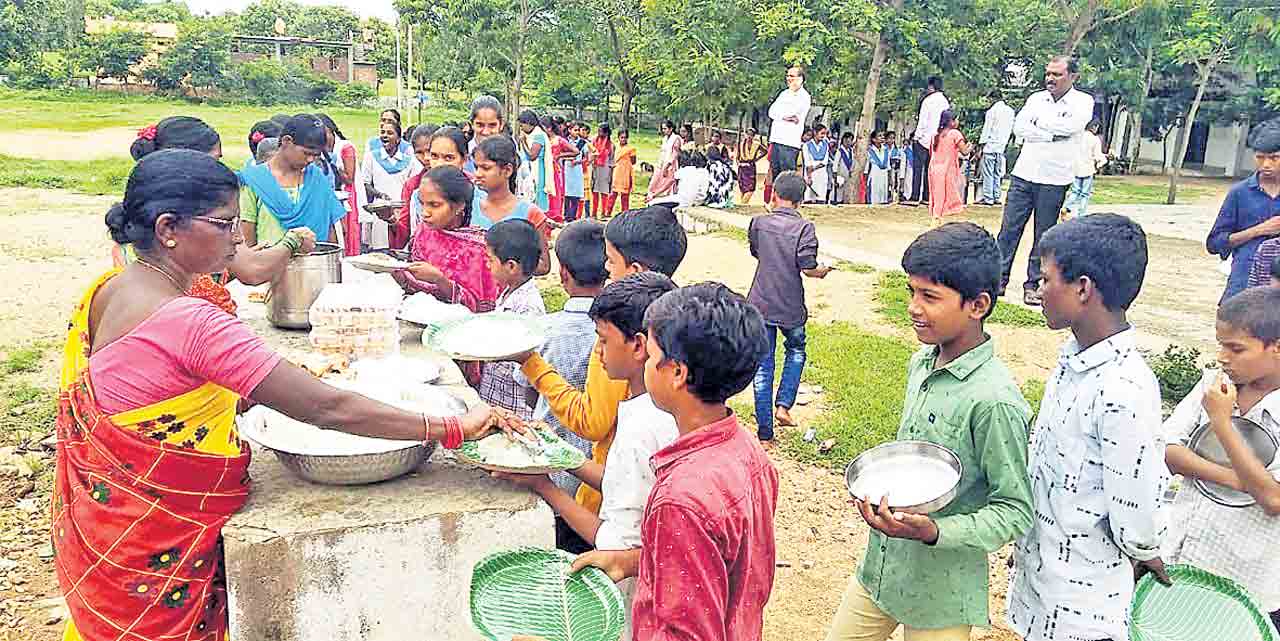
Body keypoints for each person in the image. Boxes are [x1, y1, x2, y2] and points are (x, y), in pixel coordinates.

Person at [57, 149, 520, 641]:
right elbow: (327, 407)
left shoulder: (107, 289)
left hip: (108, 528)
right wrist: (449, 427)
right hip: (157, 543)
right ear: (168, 228)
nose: (238, 238)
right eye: (224, 224)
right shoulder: (193, 323)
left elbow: (156, 389)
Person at [826, 222, 1033, 641]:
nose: (913, 307)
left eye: (930, 296)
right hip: (881, 570)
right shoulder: (921, 363)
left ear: (978, 305)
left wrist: (936, 531)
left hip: (941, 593)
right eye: (911, 292)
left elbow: (1015, 510)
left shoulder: (995, 401)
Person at [563, 282, 777, 641]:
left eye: (650, 355)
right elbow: (720, 560)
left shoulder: (680, 500)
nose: (645, 362)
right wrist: (631, 561)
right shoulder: (749, 452)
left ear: (677, 372)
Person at [1007, 214, 1171, 641]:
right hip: (1042, 582)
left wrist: (1145, 550)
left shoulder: (1124, 389)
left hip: (1085, 609)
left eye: (1046, 279)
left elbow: (1137, 509)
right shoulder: (1073, 360)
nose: (1038, 289)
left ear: (1082, 288)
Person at [499, 273, 680, 641]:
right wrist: (560, 455)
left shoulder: (642, 426)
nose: (597, 352)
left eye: (603, 340)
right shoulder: (658, 409)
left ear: (639, 346)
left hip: (632, 601)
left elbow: (614, 547)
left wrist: (544, 486)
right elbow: (625, 484)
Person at [511, 207, 688, 516]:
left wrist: (531, 363)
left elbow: (592, 421)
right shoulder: (680, 321)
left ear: (635, 270)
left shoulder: (623, 336)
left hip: (604, 502)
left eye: (611, 260)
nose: (605, 269)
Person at [1162, 286, 1280, 630]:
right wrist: (1240, 481)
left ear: (1276, 348)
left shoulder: (1218, 405)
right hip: (1184, 555)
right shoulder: (1215, 386)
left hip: (1245, 582)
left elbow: (1273, 499)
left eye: (1236, 348)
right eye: (1220, 344)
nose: (1223, 357)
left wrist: (1222, 423)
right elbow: (1168, 450)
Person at [118, 117, 314, 313]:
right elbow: (252, 270)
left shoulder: (128, 281)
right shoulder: (187, 307)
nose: (237, 237)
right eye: (215, 161)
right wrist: (292, 241)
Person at [507, 220, 609, 554]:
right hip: (601, 474)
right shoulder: (621, 333)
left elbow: (528, 390)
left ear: (563, 273)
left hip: (555, 462)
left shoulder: (542, 332)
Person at [994, 56, 1095, 306]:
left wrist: (1039, 123)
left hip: (1055, 177)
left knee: (1044, 235)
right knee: (1008, 230)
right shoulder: (1035, 99)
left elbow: (1071, 127)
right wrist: (1051, 134)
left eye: (1057, 74)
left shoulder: (1083, 102)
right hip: (1024, 173)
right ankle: (997, 280)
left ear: (1073, 77)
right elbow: (1020, 128)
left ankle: (1033, 284)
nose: (1050, 78)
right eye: (1048, 73)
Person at [748, 171, 831, 441]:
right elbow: (808, 267)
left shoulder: (758, 223)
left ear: (774, 194)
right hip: (791, 305)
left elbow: (757, 252)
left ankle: (765, 430)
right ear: (801, 200)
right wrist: (822, 271)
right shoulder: (805, 228)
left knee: (763, 365)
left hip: (760, 302)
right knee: (795, 350)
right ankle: (783, 406)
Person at [393, 165, 501, 313]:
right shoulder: (424, 231)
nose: (425, 213)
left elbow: (482, 308)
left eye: (434, 205)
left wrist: (440, 280)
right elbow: (416, 282)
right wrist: (399, 274)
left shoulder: (480, 249)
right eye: (422, 203)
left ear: (459, 206)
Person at [240, 114, 346, 248]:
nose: (311, 160)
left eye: (316, 155)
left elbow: (330, 229)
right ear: (286, 141)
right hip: (268, 260)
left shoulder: (316, 178)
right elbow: (247, 238)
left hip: (314, 259)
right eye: (306, 153)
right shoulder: (253, 180)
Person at [478, 219, 547, 418]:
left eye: (490, 260)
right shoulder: (508, 292)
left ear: (511, 266)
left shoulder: (529, 307)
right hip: (495, 391)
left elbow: (528, 357)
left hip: (514, 402)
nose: (487, 265)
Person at [1206, 117, 1280, 302]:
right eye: (1260, 157)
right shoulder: (1240, 193)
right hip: (1242, 286)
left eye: (1274, 158)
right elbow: (1214, 243)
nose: (1266, 164)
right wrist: (1258, 230)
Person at [356, 119, 415, 249]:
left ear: (398, 139)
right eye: (382, 132)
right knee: (380, 248)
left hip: (401, 210)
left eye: (390, 133)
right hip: (381, 210)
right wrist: (380, 194)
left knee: (399, 246)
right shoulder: (371, 157)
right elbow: (365, 183)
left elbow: (413, 185)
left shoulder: (409, 161)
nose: (385, 135)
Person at [316, 113, 361, 255]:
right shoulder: (321, 155)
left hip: (343, 197)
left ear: (332, 130)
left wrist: (335, 166)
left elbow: (349, 178)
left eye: (326, 133)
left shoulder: (343, 149)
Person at [904, 76, 950, 206]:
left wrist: (916, 137)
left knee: (918, 169)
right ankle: (927, 196)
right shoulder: (945, 102)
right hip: (936, 140)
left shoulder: (928, 101)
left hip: (923, 139)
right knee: (930, 170)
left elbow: (923, 122)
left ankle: (914, 197)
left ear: (931, 86)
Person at [768, 66, 811, 186]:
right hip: (776, 139)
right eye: (787, 76)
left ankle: (789, 198)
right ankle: (777, 197)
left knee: (787, 177)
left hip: (789, 142)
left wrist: (782, 114)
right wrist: (784, 117)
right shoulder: (784, 94)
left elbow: (792, 112)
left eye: (792, 76)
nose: (788, 78)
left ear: (800, 79)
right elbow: (771, 112)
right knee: (776, 175)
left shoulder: (804, 96)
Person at [928, 110, 971, 224]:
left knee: (937, 194)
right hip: (947, 168)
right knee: (947, 192)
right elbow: (965, 152)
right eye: (956, 119)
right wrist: (971, 146)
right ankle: (938, 217)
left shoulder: (935, 135)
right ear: (951, 121)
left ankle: (936, 216)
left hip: (934, 168)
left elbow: (932, 152)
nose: (958, 122)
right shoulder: (955, 133)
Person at [1062, 120, 1108, 219]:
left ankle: (1066, 206)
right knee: (1085, 194)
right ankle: (1081, 214)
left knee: (1075, 191)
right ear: (1094, 127)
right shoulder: (1094, 139)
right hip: (1088, 169)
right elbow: (1098, 155)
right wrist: (1101, 163)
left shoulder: (1078, 137)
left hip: (1076, 168)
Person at [976, 91, 1015, 206]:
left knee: (988, 173)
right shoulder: (1010, 111)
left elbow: (986, 130)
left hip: (990, 146)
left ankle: (988, 197)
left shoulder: (992, 111)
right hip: (1001, 146)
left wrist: (981, 145)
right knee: (997, 173)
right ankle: (996, 196)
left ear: (993, 99)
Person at [517, 109, 553, 214]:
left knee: (536, 198)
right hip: (529, 171)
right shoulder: (532, 135)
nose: (521, 128)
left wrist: (523, 142)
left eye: (522, 125)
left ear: (529, 123)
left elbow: (532, 156)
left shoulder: (538, 135)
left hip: (537, 173)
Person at [466, 95, 505, 172]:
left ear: (501, 125)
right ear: (472, 124)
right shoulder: (463, 154)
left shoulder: (509, 155)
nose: (486, 132)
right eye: (480, 125)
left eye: (492, 125)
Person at [647, 120, 683, 200]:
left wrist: (667, 166)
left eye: (665, 128)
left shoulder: (676, 138)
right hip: (662, 163)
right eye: (663, 129)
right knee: (655, 181)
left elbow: (675, 154)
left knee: (668, 183)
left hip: (671, 165)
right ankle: (653, 196)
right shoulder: (665, 139)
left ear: (671, 129)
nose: (664, 131)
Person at [562, 122, 587, 222]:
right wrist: (567, 159)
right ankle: (566, 215)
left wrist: (578, 162)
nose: (577, 132)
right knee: (566, 193)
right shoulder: (564, 141)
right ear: (569, 130)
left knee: (576, 194)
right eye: (575, 130)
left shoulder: (582, 142)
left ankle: (573, 216)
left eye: (578, 130)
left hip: (577, 170)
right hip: (566, 169)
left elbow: (587, 158)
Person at [738, 127, 768, 206]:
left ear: (754, 136)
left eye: (751, 135)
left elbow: (765, 151)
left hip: (751, 167)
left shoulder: (756, 144)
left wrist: (757, 159)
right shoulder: (741, 144)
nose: (749, 136)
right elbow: (737, 155)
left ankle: (742, 204)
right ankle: (742, 204)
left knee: (751, 188)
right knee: (743, 187)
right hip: (742, 168)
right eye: (748, 134)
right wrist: (739, 164)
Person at [803, 124, 831, 204]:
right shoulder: (806, 145)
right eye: (822, 133)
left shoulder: (826, 145)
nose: (823, 136)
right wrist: (809, 177)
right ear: (815, 132)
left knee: (821, 197)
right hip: (810, 175)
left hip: (822, 174)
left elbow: (824, 162)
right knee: (809, 198)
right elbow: (807, 162)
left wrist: (814, 167)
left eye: (824, 134)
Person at [591, 123, 615, 220]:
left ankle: (603, 213)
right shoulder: (594, 141)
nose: (599, 133)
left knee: (604, 192)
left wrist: (611, 175)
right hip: (595, 169)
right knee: (595, 191)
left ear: (606, 133)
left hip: (605, 171)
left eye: (601, 131)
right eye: (598, 130)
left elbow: (612, 161)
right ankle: (594, 213)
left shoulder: (611, 145)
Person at [864, 131, 891, 205]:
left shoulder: (886, 150)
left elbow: (888, 166)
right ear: (874, 139)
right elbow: (866, 168)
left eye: (883, 135)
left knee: (883, 196)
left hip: (884, 175)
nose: (882, 137)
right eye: (879, 136)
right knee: (874, 196)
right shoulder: (870, 151)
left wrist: (890, 180)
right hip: (874, 176)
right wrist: (866, 181)